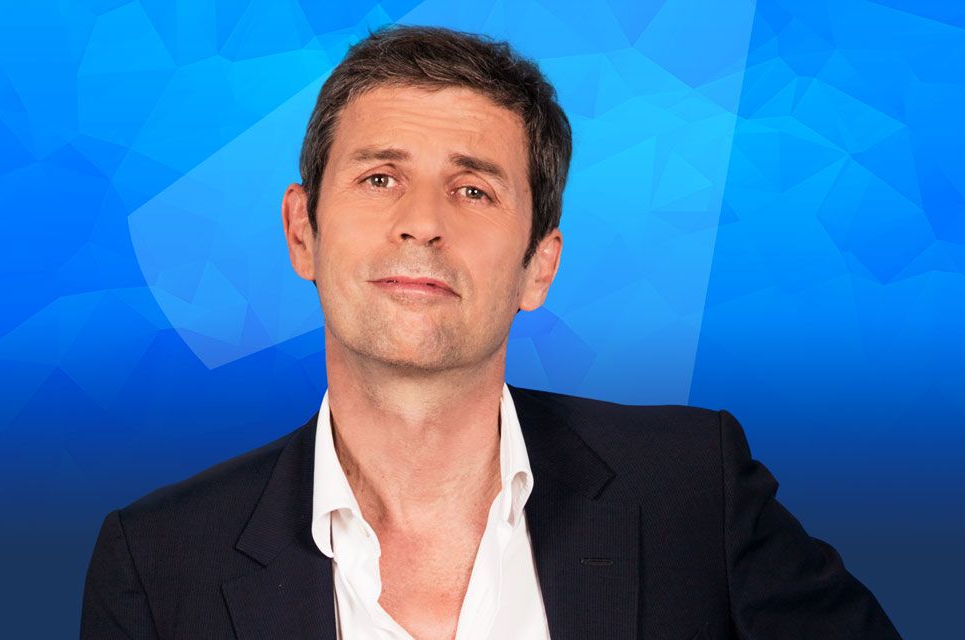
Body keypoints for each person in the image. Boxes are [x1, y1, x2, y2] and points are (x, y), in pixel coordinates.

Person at [80, 25, 901, 640]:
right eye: (380, 177)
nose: (422, 223)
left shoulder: (693, 491)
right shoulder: (156, 563)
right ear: (303, 233)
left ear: (538, 266)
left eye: (473, 190)